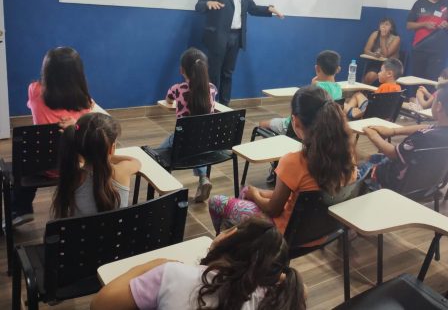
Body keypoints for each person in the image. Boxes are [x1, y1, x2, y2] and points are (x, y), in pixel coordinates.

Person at [209, 86, 357, 236]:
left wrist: (255, 195)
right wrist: (259, 193)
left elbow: (272, 209)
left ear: (295, 121)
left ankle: (233, 242)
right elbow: (301, 194)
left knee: (217, 202)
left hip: (284, 238)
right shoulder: (348, 157)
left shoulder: (293, 162)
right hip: (322, 232)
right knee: (247, 192)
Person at [91, 218, 306, 310]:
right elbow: (301, 289)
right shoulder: (268, 298)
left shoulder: (172, 275)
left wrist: (155, 264)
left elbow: (100, 304)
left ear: (229, 237)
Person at [10, 46, 94, 227]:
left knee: (25, 161)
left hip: (41, 166)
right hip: (73, 166)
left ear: (47, 71)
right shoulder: (87, 103)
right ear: (78, 74)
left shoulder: (35, 91)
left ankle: (21, 208)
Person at [195, 0, 284, 106]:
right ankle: (209, 107)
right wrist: (208, 3)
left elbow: (252, 8)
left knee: (228, 74)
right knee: (213, 75)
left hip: (236, 37)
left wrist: (269, 9)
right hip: (217, 37)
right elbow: (199, 5)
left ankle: (224, 107)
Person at [360, 79, 448, 191]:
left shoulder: (423, 137)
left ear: (439, 106)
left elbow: (393, 153)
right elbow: (428, 127)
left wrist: (373, 135)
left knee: (363, 166)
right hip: (428, 185)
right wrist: (394, 131)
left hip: (396, 184)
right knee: (372, 157)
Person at [155, 48, 217, 203]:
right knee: (195, 146)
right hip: (205, 140)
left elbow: (168, 100)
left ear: (182, 70)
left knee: (156, 155)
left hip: (182, 139)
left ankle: (166, 187)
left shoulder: (178, 89)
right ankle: (203, 178)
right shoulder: (212, 89)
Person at [52, 112, 141, 218]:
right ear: (112, 149)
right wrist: (103, 154)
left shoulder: (73, 176)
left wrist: (97, 153)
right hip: (116, 229)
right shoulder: (121, 172)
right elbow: (135, 162)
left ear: (78, 147)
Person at [259, 50, 343, 135]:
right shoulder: (338, 89)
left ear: (317, 68)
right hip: (320, 130)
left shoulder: (315, 89)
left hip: (296, 128)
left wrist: (312, 86)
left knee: (262, 124)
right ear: (338, 69)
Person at [407, 0, 448, 81]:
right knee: (416, 79)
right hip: (419, 47)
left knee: (433, 80)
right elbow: (409, 25)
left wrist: (446, 25)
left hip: (438, 50)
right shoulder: (419, 3)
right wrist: (424, 24)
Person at [362, 18, 401, 84]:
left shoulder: (396, 39)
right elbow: (366, 50)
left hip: (388, 65)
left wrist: (383, 38)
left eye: (387, 24)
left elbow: (385, 55)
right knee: (370, 76)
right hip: (376, 62)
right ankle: (363, 89)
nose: (383, 26)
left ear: (391, 28)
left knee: (373, 76)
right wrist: (374, 55)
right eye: (382, 24)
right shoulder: (375, 34)